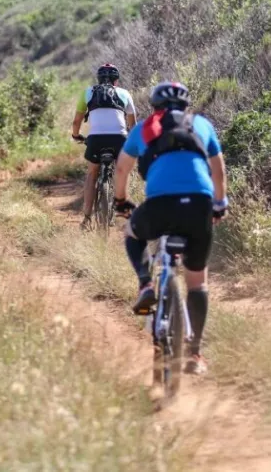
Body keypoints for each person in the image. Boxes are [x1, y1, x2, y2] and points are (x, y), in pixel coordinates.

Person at [112, 81, 228, 375]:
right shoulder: (201, 125)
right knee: (197, 282)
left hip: (160, 205)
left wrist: (121, 201)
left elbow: (122, 168)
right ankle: (195, 354)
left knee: (132, 233)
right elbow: (218, 169)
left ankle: (145, 284)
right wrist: (219, 203)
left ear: (155, 106)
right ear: (187, 106)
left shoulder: (145, 128)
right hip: (199, 205)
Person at [71, 63, 136, 229]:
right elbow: (133, 125)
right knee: (122, 173)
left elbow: (76, 121)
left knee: (92, 174)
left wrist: (76, 135)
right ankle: (123, 211)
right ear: (116, 81)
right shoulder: (125, 93)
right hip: (119, 139)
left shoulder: (87, 92)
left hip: (96, 139)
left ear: (98, 79)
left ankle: (87, 218)